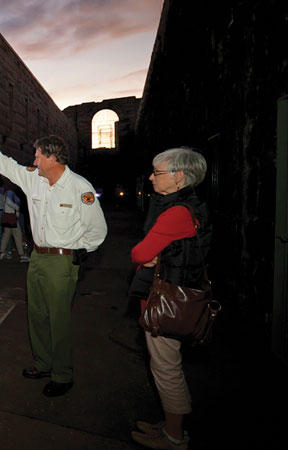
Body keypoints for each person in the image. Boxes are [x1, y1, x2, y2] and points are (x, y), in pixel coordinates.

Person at [0, 136, 107, 397]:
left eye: (38, 156)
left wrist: (81, 252)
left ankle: (62, 374)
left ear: (53, 158)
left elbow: (97, 229)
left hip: (63, 259)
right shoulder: (34, 179)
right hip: (38, 257)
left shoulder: (78, 187)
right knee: (37, 314)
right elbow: (7, 165)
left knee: (58, 318)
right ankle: (43, 363)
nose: (34, 160)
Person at [128, 148, 211, 450]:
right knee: (166, 366)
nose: (151, 177)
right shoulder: (192, 204)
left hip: (167, 304)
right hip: (176, 294)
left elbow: (139, 252)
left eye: (157, 172)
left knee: (166, 368)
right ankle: (169, 424)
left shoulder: (176, 212)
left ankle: (174, 437)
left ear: (178, 177)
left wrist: (151, 255)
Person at [0, 187, 30, 263]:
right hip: (12, 217)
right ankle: (22, 255)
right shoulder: (10, 192)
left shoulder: (6, 193)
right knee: (18, 235)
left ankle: (2, 253)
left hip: (7, 217)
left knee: (6, 236)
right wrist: (16, 208)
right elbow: (9, 202)